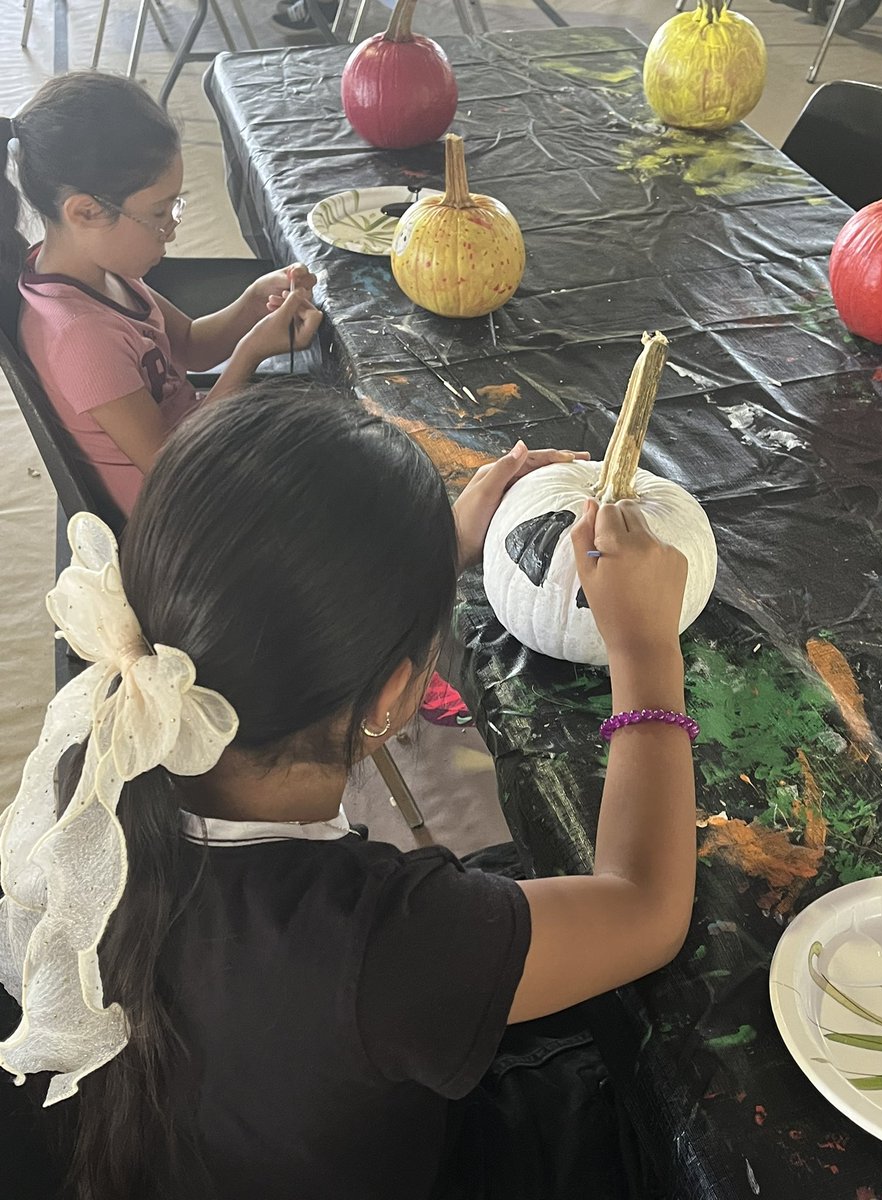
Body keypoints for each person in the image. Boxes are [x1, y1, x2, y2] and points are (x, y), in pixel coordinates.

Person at [0, 382, 696, 1199]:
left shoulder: (87, 773)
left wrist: (416, 568)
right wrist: (647, 650)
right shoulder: (390, 943)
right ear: (391, 701)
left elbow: (249, 613)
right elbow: (646, 907)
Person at [0, 72, 321, 518]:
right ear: (86, 212)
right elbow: (171, 465)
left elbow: (189, 344)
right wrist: (250, 353)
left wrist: (252, 302)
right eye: (158, 212)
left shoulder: (101, 271)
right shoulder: (79, 336)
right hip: (184, 519)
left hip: (204, 457)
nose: (171, 226)